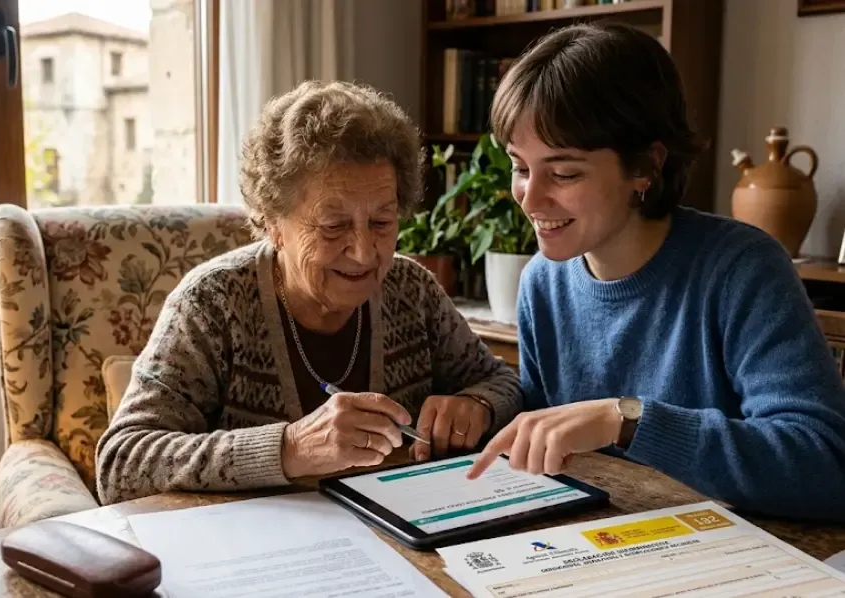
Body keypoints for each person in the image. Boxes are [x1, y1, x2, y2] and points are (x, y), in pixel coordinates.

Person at [466, 22, 845, 522]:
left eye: (564, 173)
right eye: (520, 166)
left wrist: (626, 420)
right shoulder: (543, 282)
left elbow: (826, 467)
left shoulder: (743, 270)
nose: (530, 199)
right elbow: (550, 454)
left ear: (645, 166)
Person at [96, 80, 523, 503]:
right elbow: (121, 464)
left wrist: (477, 404)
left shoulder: (411, 289)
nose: (363, 252)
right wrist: (290, 449)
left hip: (405, 543)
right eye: (333, 225)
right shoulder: (212, 305)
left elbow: (504, 382)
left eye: (382, 222)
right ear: (273, 224)